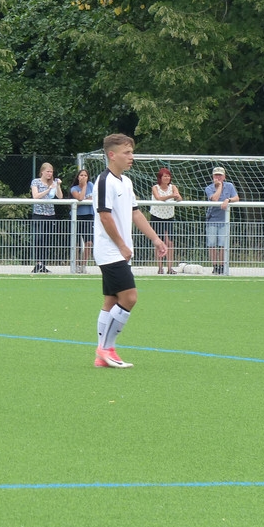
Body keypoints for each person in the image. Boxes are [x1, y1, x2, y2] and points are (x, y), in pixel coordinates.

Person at [92, 133, 167, 368]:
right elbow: (105, 217)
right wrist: (122, 245)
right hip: (110, 251)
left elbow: (135, 213)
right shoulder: (104, 181)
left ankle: (101, 356)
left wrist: (156, 239)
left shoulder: (126, 182)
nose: (131, 156)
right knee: (129, 297)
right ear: (112, 155)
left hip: (119, 251)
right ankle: (106, 349)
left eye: (132, 152)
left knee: (111, 300)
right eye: (127, 152)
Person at [204, 166, 239, 274]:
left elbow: (236, 198)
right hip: (212, 219)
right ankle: (215, 266)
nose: (218, 177)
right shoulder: (209, 188)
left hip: (224, 220)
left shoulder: (230, 186)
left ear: (224, 176)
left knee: (223, 244)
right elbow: (214, 199)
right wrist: (219, 186)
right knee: (212, 244)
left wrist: (228, 200)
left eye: (220, 175)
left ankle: (222, 265)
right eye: (216, 175)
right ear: (212, 176)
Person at [30, 162, 63, 273]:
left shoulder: (53, 183)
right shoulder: (36, 182)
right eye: (48, 171)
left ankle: (43, 264)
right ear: (42, 172)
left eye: (51, 172)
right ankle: (38, 263)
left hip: (50, 214)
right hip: (38, 214)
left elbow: (60, 197)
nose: (50, 174)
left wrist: (57, 186)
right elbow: (36, 196)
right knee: (38, 238)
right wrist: (48, 189)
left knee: (46, 240)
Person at [150, 167, 182, 274]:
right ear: (160, 177)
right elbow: (158, 198)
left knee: (170, 242)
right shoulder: (155, 187)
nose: (167, 178)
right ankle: (160, 267)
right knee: (159, 243)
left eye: (168, 176)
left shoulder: (173, 187)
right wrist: (171, 196)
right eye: (165, 176)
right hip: (157, 216)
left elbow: (179, 197)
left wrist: (177, 197)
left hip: (169, 217)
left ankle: (170, 267)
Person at [70, 169, 95, 273]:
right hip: (77, 217)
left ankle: (83, 265)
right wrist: (84, 186)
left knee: (89, 242)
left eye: (85, 175)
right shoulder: (74, 188)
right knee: (76, 243)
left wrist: (85, 200)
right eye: (81, 175)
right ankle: (76, 265)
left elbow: (94, 198)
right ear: (78, 177)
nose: (83, 177)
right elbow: (80, 198)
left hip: (89, 216)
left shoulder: (91, 185)